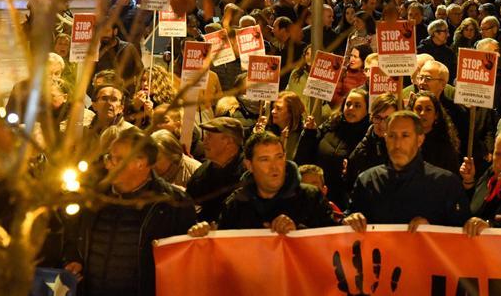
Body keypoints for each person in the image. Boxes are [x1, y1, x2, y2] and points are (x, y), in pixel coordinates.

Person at [63, 129, 197, 296]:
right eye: (108, 156)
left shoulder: (173, 204)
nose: (108, 164)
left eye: (116, 159)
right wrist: (74, 259)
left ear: (140, 163)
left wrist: (198, 235)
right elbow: (72, 234)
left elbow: (186, 256)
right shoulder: (91, 195)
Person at [188, 132, 336, 234]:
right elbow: (225, 250)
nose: (275, 166)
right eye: (264, 159)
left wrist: (298, 232)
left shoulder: (311, 197)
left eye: (279, 157)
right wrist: (204, 235)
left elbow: (331, 242)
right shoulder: (236, 204)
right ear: (249, 165)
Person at [345, 111, 470, 232]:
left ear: (420, 140)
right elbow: (348, 221)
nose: (397, 144)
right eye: (392, 136)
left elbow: (462, 235)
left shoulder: (446, 184)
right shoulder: (368, 181)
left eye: (405, 135)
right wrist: (350, 221)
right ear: (385, 138)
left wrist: (433, 229)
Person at [296, 89, 371, 208]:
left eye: (357, 106)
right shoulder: (330, 125)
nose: (351, 108)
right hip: (317, 196)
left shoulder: (368, 137)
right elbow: (303, 159)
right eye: (348, 104)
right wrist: (308, 134)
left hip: (345, 202)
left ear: (367, 110)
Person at [186, 117, 247, 223]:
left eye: (209, 137)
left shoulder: (248, 172)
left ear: (229, 142)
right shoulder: (200, 175)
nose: (204, 142)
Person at [346, 92, 398, 186]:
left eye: (387, 119)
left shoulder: (402, 147)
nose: (382, 124)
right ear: (371, 117)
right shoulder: (364, 145)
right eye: (378, 118)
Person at [407, 91, 461, 174]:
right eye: (418, 109)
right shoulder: (404, 141)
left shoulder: (445, 147)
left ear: (436, 115)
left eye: (428, 109)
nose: (422, 113)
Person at [95, 23, 144, 94]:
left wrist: (135, 90)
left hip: (126, 94)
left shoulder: (128, 48)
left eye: (106, 31)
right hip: (102, 95)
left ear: (115, 31)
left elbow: (140, 71)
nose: (103, 35)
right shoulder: (96, 51)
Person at [265, 91, 307, 159]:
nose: (273, 111)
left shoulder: (303, 136)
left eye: (278, 109)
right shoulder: (268, 131)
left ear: (291, 112)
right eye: (273, 107)